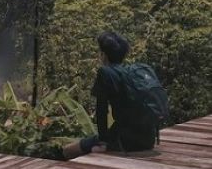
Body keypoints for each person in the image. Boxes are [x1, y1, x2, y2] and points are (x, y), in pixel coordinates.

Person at [63, 31, 163, 159]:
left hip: (124, 141)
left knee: (68, 150)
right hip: (148, 140)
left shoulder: (105, 72)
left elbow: (101, 111)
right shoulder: (133, 73)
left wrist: (103, 141)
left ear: (103, 55)